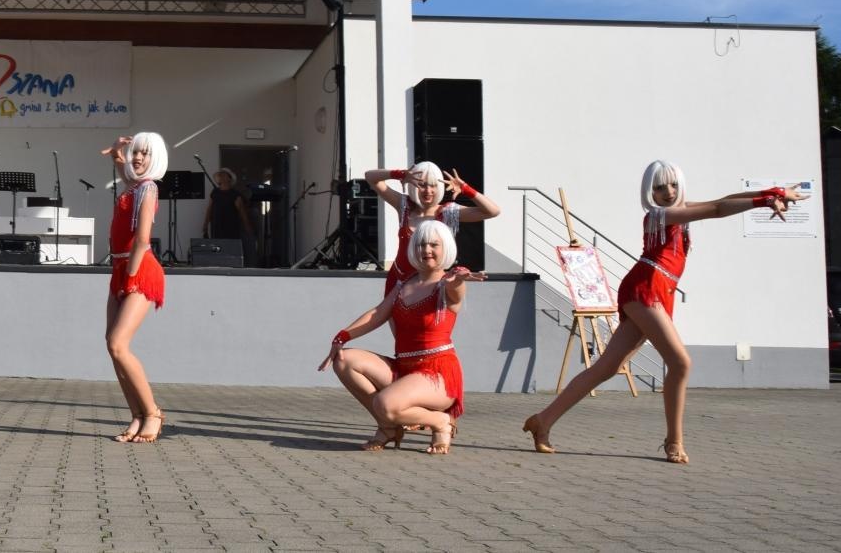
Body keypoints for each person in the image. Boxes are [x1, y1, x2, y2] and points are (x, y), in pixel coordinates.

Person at [522, 161, 805, 464]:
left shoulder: (681, 211)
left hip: (661, 290)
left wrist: (773, 192)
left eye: (672, 185)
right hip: (646, 287)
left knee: (605, 367)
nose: (667, 192)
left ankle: (543, 420)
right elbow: (717, 211)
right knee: (681, 362)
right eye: (659, 187)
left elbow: (721, 201)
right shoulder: (659, 215)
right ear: (649, 192)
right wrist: (764, 201)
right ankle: (674, 441)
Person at [320, 220, 486, 454]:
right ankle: (388, 426)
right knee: (344, 360)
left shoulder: (447, 284)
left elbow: (456, 295)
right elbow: (378, 314)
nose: (426, 250)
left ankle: (440, 422)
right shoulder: (404, 284)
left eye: (433, 245)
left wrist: (457, 281)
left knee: (385, 403)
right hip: (404, 368)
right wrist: (341, 338)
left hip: (437, 374)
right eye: (421, 245)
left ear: (445, 248)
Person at [102, 132, 168, 443]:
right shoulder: (134, 185)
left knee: (118, 344)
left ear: (156, 157)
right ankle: (137, 415)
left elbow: (143, 238)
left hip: (138, 268)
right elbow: (123, 167)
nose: (138, 158)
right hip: (120, 268)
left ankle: (153, 413)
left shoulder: (149, 189)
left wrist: (129, 272)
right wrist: (118, 151)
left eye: (145, 153)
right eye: (136, 153)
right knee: (112, 346)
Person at [365, 162, 500, 293]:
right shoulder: (404, 206)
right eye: (422, 185)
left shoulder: (447, 212)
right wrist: (399, 174)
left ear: (439, 187)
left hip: (430, 284)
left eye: (433, 185)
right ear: (413, 185)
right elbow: (370, 177)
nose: (428, 191)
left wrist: (466, 189)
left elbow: (493, 211)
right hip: (399, 280)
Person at [202, 168, 254, 265]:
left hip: (231, 229)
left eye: (223, 174)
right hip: (216, 228)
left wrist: (248, 229)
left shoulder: (235, 195)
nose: (221, 176)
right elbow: (209, 209)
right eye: (220, 174)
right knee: (217, 253)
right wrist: (205, 224)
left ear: (229, 179)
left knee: (230, 254)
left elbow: (243, 214)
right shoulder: (215, 193)